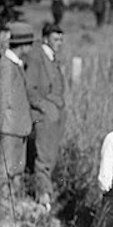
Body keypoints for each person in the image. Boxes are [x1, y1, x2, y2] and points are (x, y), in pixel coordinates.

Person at [26, 22, 65, 212]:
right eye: (56, 39)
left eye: (61, 39)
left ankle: (47, 194)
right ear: (46, 38)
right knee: (43, 157)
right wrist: (44, 107)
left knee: (51, 156)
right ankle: (42, 197)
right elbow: (30, 89)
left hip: (54, 116)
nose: (60, 43)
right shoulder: (36, 57)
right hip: (43, 117)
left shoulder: (52, 57)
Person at [0, 22, 34, 227]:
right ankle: (4, 223)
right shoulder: (6, 66)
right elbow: (1, 100)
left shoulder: (16, 64)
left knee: (15, 174)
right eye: (30, 44)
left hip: (18, 128)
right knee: (5, 174)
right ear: (24, 45)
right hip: (9, 129)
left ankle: (11, 216)